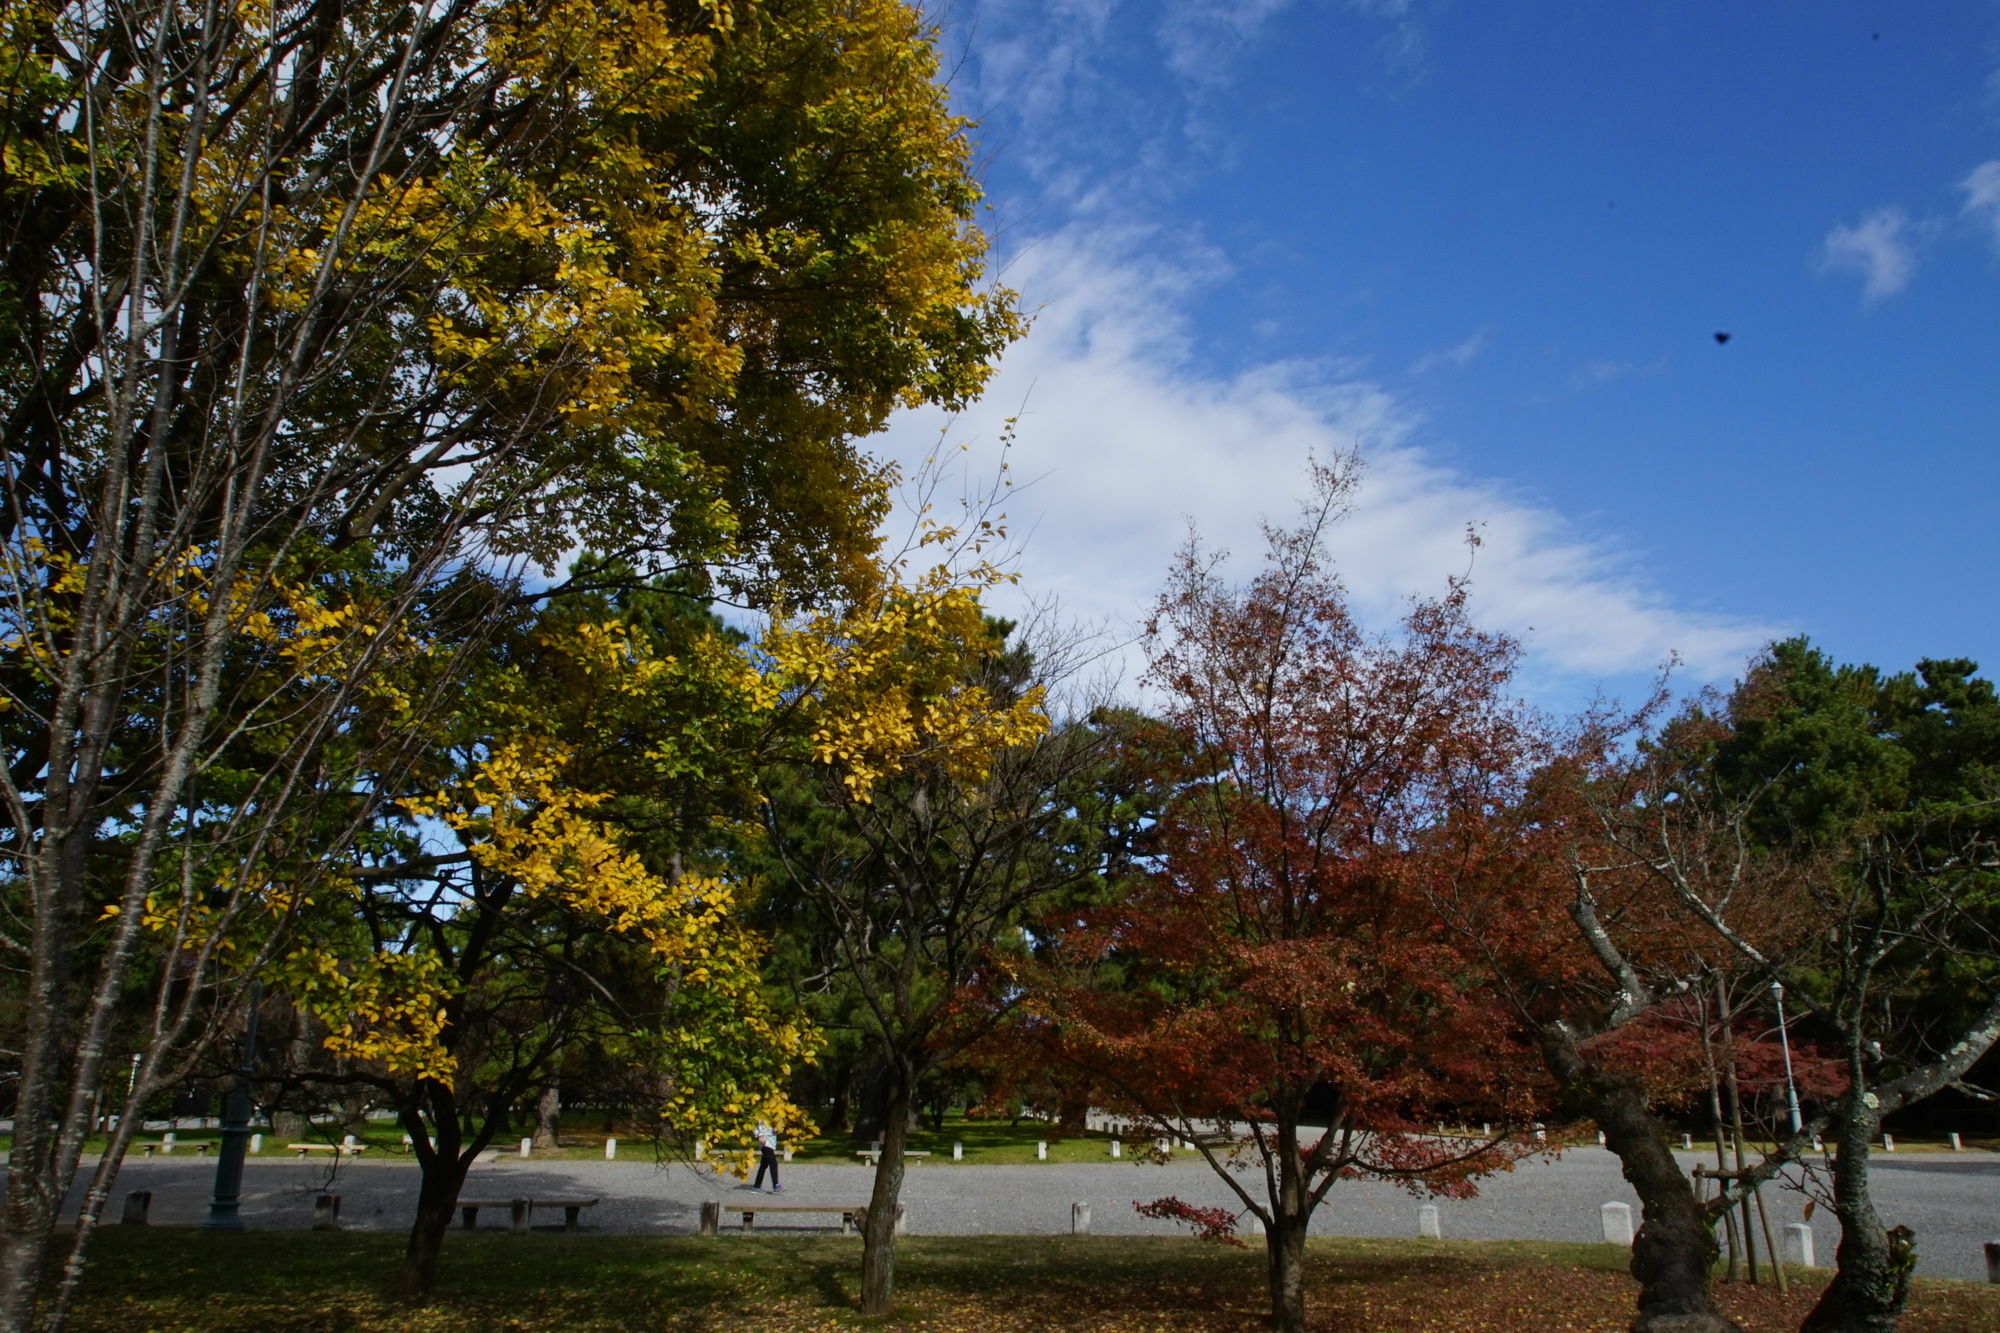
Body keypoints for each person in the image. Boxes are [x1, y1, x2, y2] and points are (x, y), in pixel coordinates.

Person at [753, 1121, 782, 1192]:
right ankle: (776, 1185)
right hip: (765, 1143)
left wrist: (777, 1130)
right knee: (773, 1163)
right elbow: (755, 1125)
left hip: (771, 1142)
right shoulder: (762, 1114)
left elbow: (776, 1127)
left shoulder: (774, 1114)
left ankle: (756, 1186)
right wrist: (760, 1135)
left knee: (763, 1165)